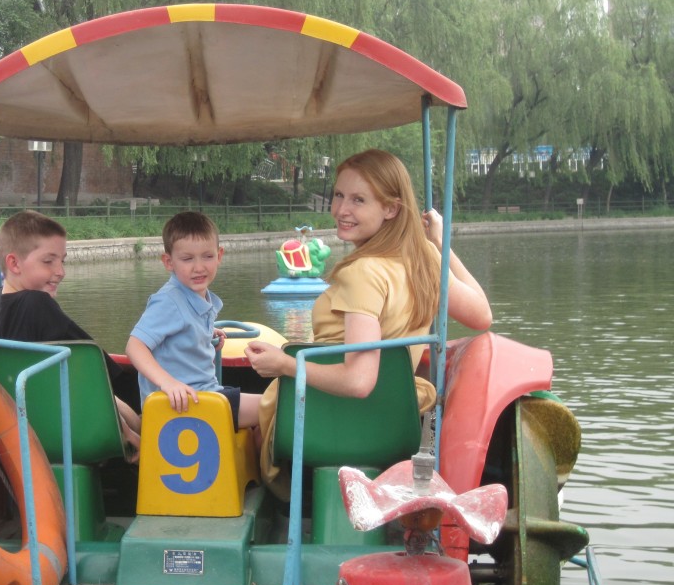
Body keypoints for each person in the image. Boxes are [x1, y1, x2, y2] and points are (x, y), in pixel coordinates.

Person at [243, 149, 492, 493]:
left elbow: (359, 381)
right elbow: (482, 314)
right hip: (395, 419)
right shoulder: (423, 259)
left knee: (220, 409)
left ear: (390, 208)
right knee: (245, 409)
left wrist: (285, 364)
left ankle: (267, 512)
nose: (343, 210)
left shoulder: (363, 272)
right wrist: (438, 243)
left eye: (359, 200)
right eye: (339, 195)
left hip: (344, 418)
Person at [0, 210, 141, 455]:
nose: (60, 271)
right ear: (14, 263)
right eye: (48, 261)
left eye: (62, 261)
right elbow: (89, 374)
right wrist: (129, 427)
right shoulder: (38, 305)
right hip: (68, 429)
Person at [125, 211, 261, 432]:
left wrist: (207, 333)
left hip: (204, 394)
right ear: (168, 262)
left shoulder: (194, 296)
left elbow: (181, 328)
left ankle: (251, 465)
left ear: (219, 256)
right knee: (275, 405)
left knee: (268, 408)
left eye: (207, 256)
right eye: (187, 259)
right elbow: (134, 346)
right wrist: (167, 383)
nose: (199, 267)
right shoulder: (169, 300)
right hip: (185, 403)